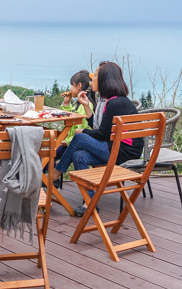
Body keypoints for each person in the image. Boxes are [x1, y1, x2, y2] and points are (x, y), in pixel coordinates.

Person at [52, 61, 144, 216]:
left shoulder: (115, 103)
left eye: (95, 76)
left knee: (80, 137)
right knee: (78, 155)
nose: (91, 79)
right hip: (113, 147)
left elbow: (102, 134)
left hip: (123, 152)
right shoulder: (106, 101)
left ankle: (55, 174)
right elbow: (98, 128)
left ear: (105, 80)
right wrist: (87, 106)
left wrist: (82, 131)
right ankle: (89, 202)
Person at [51, 70, 97, 189]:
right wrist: (66, 105)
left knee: (49, 153)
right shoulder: (80, 104)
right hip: (69, 142)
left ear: (79, 86)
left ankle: (48, 179)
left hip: (72, 144)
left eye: (72, 85)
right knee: (49, 151)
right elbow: (72, 117)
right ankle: (49, 179)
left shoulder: (87, 106)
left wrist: (65, 142)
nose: (70, 88)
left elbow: (82, 131)